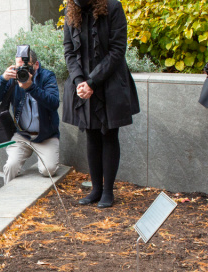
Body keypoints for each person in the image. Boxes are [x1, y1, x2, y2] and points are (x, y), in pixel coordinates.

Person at [62, 0, 140, 208]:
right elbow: (69, 51)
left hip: (109, 82)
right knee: (91, 134)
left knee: (109, 134)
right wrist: (79, 81)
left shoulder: (113, 7)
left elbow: (117, 50)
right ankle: (96, 189)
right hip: (84, 84)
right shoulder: (71, 11)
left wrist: (93, 82)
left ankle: (107, 191)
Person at [0, 48, 61, 184]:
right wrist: (3, 79)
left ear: (36, 65)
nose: (22, 70)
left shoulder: (46, 76)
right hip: (22, 135)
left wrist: (31, 87)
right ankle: (8, 199)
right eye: (18, 67)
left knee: (48, 170)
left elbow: (54, 103)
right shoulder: (13, 79)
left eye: (25, 66)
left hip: (46, 135)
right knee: (10, 166)